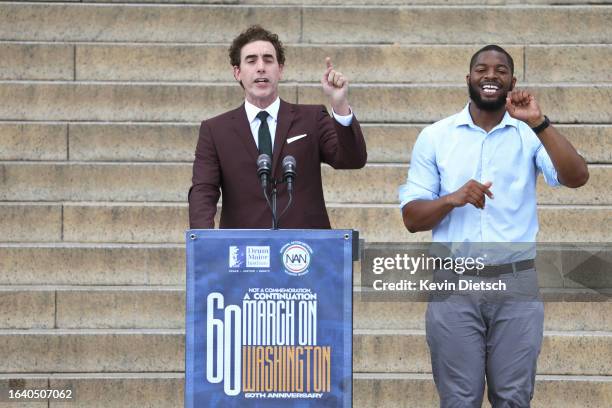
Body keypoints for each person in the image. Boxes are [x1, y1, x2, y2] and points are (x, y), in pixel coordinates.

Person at [399, 45, 588, 407]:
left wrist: (538, 121)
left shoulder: (530, 133)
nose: (490, 75)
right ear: (468, 78)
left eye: (500, 71)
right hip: (454, 282)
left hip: (516, 282)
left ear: (512, 82)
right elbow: (411, 218)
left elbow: (577, 176)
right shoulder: (436, 136)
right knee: (459, 399)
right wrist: (452, 198)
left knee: (514, 398)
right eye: (481, 69)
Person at [188, 25, 367, 229]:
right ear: (237, 72)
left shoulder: (312, 118)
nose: (261, 67)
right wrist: (202, 243)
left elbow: (352, 159)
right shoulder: (215, 130)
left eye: (268, 59)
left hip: (304, 251)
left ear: (280, 69)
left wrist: (339, 104)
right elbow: (203, 190)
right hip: (244, 251)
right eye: (251, 60)